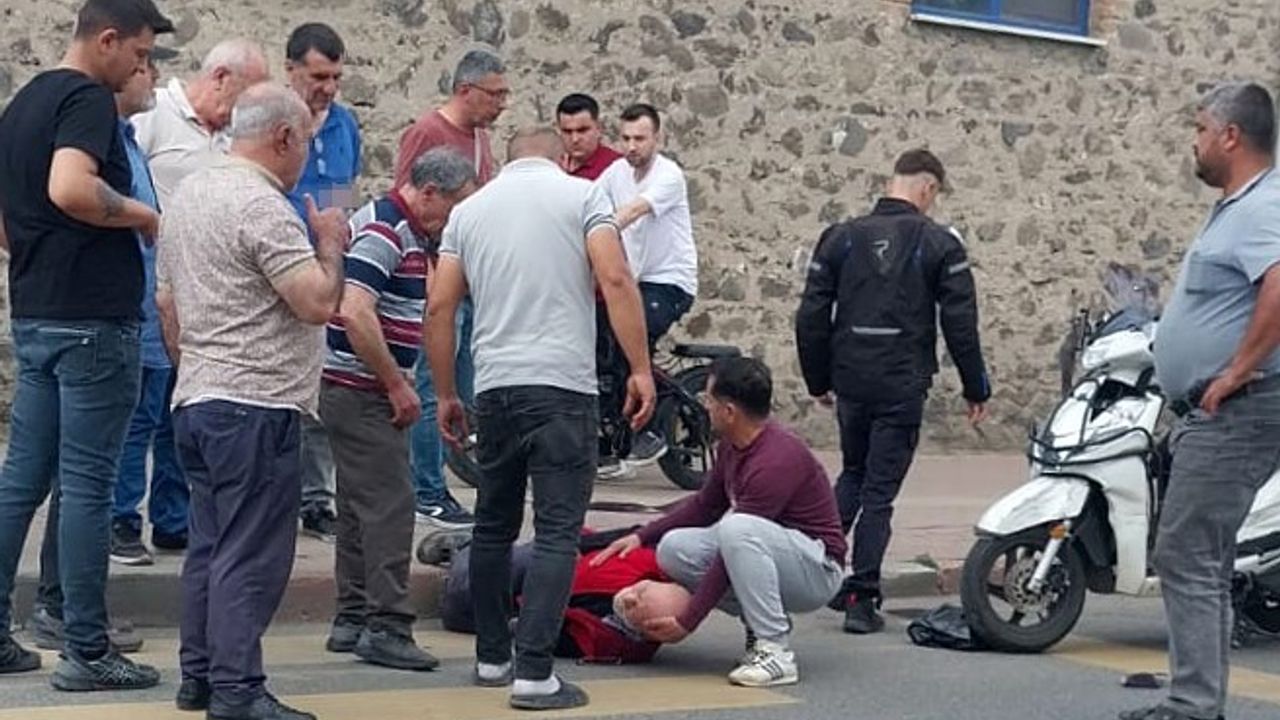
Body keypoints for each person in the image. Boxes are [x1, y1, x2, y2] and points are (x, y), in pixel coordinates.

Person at [426, 126, 654, 711]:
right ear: (562, 159)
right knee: (556, 531)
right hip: (561, 385)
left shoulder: (468, 212)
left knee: (492, 527)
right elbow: (615, 278)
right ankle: (534, 673)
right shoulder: (584, 196)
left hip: (497, 386)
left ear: (507, 161)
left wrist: (447, 392)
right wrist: (640, 368)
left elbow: (441, 305)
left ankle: (492, 658)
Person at [156, 83, 347, 720]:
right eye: (306, 142)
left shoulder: (188, 196)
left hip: (198, 396)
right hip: (256, 403)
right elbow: (316, 302)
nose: (307, 157)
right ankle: (237, 691)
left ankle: (201, 677)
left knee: (210, 548)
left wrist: (196, 366)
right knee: (252, 555)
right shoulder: (262, 205)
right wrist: (329, 241)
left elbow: (167, 304)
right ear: (284, 137)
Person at [0, 0, 172, 689]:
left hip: (37, 315)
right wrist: (143, 215)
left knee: (22, 481)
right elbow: (71, 187)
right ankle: (86, 650)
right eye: (139, 53)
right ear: (106, 40)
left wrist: (41, 258)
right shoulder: (86, 100)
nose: (141, 66)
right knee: (88, 487)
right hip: (93, 322)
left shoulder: (23, 104)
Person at [1120, 83, 1280, 720]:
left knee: (1188, 551)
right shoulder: (1237, 207)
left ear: (1230, 135)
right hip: (1214, 410)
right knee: (1198, 554)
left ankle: (1194, 705)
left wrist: (1234, 371)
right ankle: (1197, 701)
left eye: (1199, 128)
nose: (1194, 141)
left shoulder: (1264, 204)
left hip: (1239, 409)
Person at [794, 148, 991, 635]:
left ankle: (806, 567)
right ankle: (862, 596)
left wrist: (818, 378)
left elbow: (811, 315)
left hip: (851, 378)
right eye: (934, 195)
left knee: (853, 474)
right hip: (902, 381)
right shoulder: (939, 243)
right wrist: (975, 387)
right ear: (927, 187)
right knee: (879, 491)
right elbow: (961, 323)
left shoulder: (840, 238)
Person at [592, 356, 846, 689]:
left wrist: (687, 621)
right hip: (774, 553)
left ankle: (775, 651)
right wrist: (641, 536)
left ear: (729, 411)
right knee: (674, 548)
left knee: (738, 529)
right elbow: (705, 506)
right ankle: (760, 623)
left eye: (708, 399)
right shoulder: (732, 446)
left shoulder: (776, 459)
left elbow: (730, 552)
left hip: (817, 570)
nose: (705, 407)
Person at [321, 147, 476, 671]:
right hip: (362, 390)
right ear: (429, 194)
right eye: (455, 207)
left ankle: (352, 617)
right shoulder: (386, 232)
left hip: (352, 388)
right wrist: (395, 383)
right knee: (390, 505)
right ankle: (387, 625)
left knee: (357, 506)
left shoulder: (395, 227)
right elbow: (355, 310)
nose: (455, 221)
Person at [397, 48, 508, 529]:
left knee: (464, 389)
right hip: (440, 276)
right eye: (495, 94)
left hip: (469, 280)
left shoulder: (480, 137)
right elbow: (409, 200)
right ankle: (427, 491)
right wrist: (425, 271)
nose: (502, 103)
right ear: (466, 90)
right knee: (431, 387)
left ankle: (451, 479)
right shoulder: (427, 132)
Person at [284, 21, 364, 543]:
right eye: (318, 77)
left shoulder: (345, 126)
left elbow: (343, 192)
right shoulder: (271, 120)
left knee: (320, 381)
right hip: (275, 262)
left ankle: (316, 497)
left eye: (335, 77)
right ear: (291, 70)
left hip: (324, 266)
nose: (328, 88)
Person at [595, 103, 698, 465]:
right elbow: (589, 203)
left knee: (631, 339)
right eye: (625, 138)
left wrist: (598, 232)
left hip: (670, 282)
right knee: (599, 339)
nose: (631, 146)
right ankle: (610, 428)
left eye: (640, 138)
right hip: (637, 280)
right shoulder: (616, 173)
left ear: (658, 138)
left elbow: (633, 211)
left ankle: (649, 433)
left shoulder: (669, 176)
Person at [132, 37, 269, 206]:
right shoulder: (154, 110)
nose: (250, 105)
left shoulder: (237, 136)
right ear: (221, 78)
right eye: (247, 94)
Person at [556, 93, 621, 180]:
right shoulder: (552, 165)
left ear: (599, 128)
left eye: (582, 130)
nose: (575, 139)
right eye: (567, 131)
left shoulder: (617, 168)